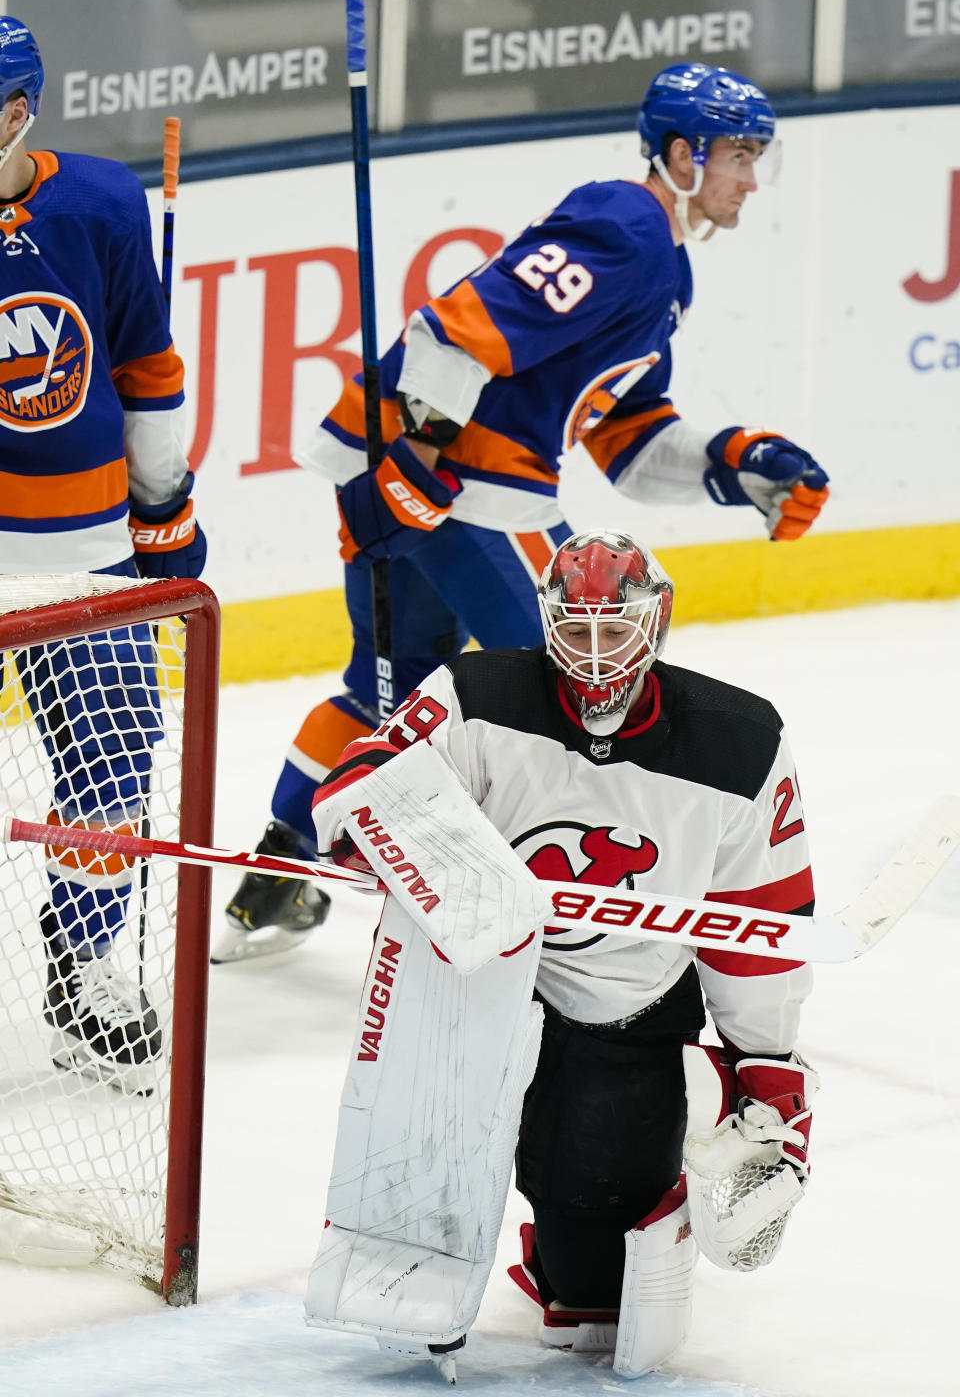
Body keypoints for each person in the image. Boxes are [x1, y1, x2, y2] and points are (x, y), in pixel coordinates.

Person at [217, 61, 830, 961]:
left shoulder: (663, 269)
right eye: (740, 155)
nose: (750, 177)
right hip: (451, 488)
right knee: (584, 676)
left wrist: (735, 463)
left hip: (423, 486)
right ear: (681, 155)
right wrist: (419, 458)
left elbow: (626, 438)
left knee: (387, 691)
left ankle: (281, 871)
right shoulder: (626, 224)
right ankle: (566, 909)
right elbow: (460, 324)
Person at [305, 529, 817, 1377]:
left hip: (626, 1008)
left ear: (656, 625)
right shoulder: (478, 693)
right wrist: (371, 825)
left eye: (613, 633)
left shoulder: (741, 743)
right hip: (468, 991)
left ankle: (593, 1206)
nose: (592, 654)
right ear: (546, 621)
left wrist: (765, 1060)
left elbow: (758, 917)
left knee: (594, 1313)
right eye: (573, 632)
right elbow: (363, 774)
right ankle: (422, 1257)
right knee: (402, 1261)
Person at [0, 18, 206, 1092]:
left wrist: (161, 502)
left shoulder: (98, 202)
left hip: (85, 548)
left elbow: (143, 356)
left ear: (21, 111)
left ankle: (83, 971)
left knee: (116, 758)